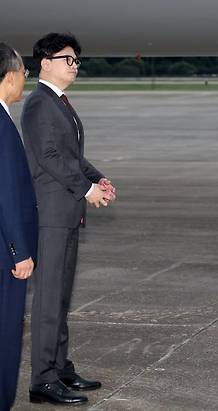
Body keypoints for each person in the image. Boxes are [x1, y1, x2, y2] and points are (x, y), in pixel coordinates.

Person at [21, 32, 117, 405]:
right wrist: (86, 189)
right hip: (51, 214)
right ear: (45, 63)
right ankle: (42, 380)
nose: (74, 66)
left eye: (76, 60)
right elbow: (50, 157)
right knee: (48, 299)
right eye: (67, 59)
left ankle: (59, 367)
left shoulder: (58, 103)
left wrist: (97, 178)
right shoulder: (40, 104)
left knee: (60, 297)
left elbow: (73, 156)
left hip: (66, 212)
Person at [0, 42, 38, 411]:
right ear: (9, 76)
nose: (25, 78)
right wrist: (20, 251)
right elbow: (6, 194)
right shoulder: (0, 123)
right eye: (24, 71)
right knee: (6, 337)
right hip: (5, 256)